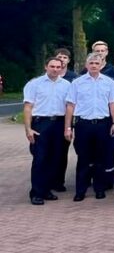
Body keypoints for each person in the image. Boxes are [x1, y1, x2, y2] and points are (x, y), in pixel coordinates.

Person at [65, 53, 114, 201]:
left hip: (102, 124)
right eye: (91, 63)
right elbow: (71, 105)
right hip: (83, 124)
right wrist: (68, 127)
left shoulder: (109, 82)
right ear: (86, 65)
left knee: (100, 158)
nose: (94, 66)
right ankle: (80, 190)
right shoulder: (77, 83)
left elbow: (113, 103)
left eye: (97, 63)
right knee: (83, 158)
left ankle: (99, 189)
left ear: (102, 65)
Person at [23, 56, 70, 205]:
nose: (55, 69)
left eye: (58, 67)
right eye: (52, 66)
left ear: (62, 68)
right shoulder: (34, 84)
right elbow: (28, 107)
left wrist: (68, 127)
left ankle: (46, 190)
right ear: (46, 67)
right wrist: (28, 129)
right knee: (40, 159)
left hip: (59, 123)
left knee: (55, 159)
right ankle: (36, 193)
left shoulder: (67, 85)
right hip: (41, 124)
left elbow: (70, 107)